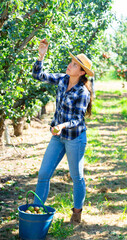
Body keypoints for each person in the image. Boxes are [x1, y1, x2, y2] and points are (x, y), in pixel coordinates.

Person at [32, 39, 94, 225]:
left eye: (75, 65)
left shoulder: (82, 92)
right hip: (58, 137)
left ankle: (77, 211)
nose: (70, 65)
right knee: (43, 173)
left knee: (77, 176)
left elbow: (77, 119)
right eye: (71, 62)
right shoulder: (62, 79)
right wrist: (41, 55)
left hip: (74, 138)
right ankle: (37, 211)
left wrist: (62, 126)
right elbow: (38, 75)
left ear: (82, 72)